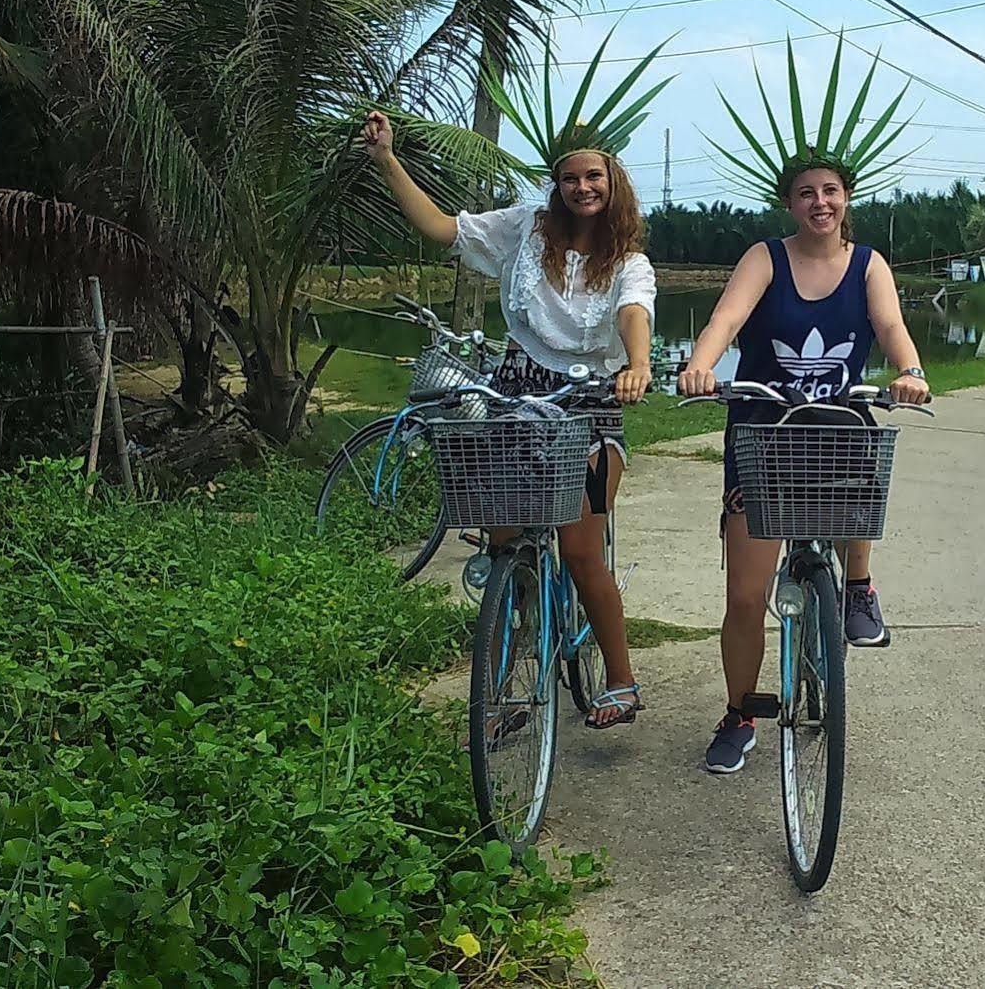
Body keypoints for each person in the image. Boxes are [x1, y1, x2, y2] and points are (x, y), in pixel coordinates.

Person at [360, 42, 669, 729]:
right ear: (555, 185)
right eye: (568, 178)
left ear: (612, 183)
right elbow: (441, 227)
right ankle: (508, 677)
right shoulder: (523, 231)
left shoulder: (630, 259)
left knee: (580, 548)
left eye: (593, 177)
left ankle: (620, 679)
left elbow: (633, 312)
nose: (580, 188)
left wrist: (638, 364)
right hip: (516, 394)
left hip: (591, 405)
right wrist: (387, 160)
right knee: (506, 542)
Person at [677, 41, 929, 773]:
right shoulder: (764, 256)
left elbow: (889, 329)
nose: (820, 203)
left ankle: (857, 584)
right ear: (789, 204)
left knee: (862, 468)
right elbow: (726, 320)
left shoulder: (869, 263)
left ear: (846, 200)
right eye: (806, 193)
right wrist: (700, 363)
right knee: (745, 594)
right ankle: (736, 714)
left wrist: (908, 371)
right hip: (761, 430)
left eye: (831, 191)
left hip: (836, 425)